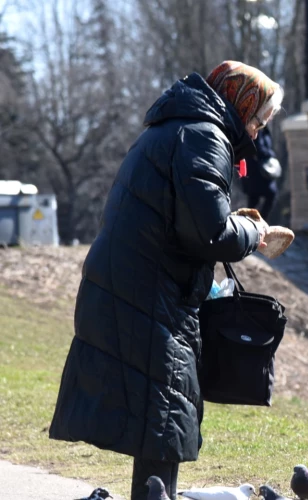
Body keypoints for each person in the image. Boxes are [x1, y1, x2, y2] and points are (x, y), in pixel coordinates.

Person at [47, 60, 283, 500]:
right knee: (164, 418)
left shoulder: (174, 129)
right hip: (150, 298)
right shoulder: (204, 136)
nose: (257, 132)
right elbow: (210, 234)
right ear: (241, 104)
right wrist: (256, 232)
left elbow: (184, 219)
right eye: (258, 119)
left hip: (132, 287)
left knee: (160, 419)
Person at [242, 123, 279, 220]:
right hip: (257, 171)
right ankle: (257, 221)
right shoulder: (259, 128)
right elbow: (258, 147)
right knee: (269, 194)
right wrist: (271, 154)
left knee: (254, 200)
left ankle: (254, 221)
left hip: (260, 171)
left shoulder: (265, 128)